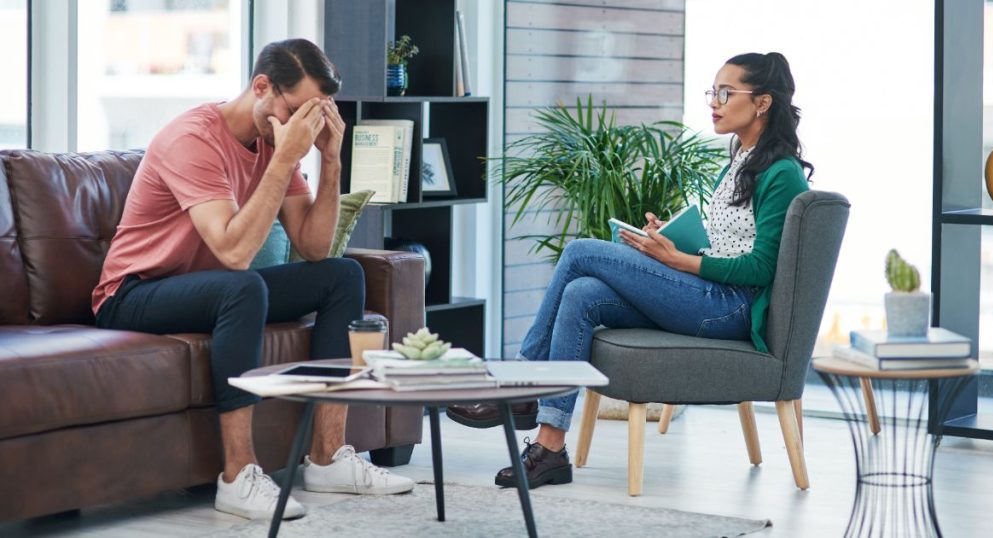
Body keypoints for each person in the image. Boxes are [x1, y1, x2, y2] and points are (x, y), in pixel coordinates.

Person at [447, 52, 813, 489]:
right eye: (713, 92)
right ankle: (549, 447)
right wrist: (673, 241)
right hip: (706, 292)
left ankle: (524, 384)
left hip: (731, 308)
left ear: (762, 103)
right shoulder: (741, 160)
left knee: (581, 251)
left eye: (725, 92)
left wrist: (675, 260)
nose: (713, 102)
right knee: (582, 293)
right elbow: (727, 245)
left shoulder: (782, 172)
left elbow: (761, 267)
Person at [92, 39, 414, 520]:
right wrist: (285, 160)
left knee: (342, 275)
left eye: (315, 115)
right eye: (296, 110)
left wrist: (331, 159)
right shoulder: (194, 139)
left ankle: (328, 457)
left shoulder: (276, 140)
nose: (303, 126)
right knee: (244, 286)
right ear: (261, 86)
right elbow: (234, 251)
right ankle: (238, 476)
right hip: (133, 293)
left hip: (210, 289)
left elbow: (315, 247)